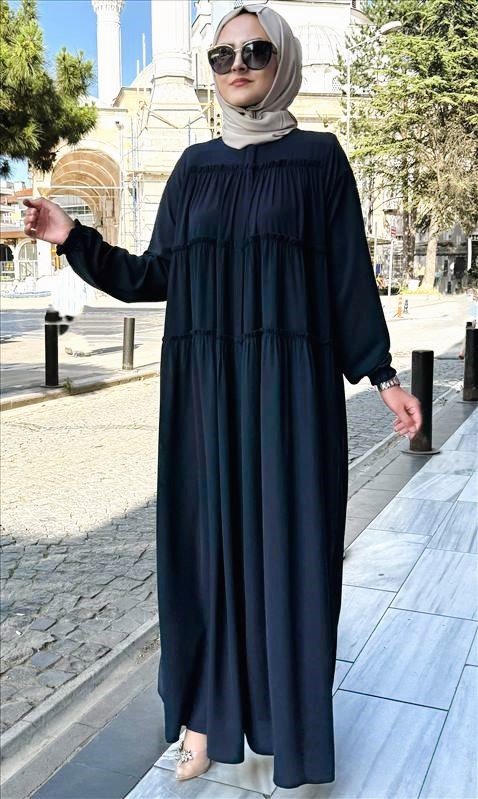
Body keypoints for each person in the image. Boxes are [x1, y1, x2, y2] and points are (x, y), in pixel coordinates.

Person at [23, 3, 422, 790]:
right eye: (222, 56)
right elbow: (153, 275)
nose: (237, 66)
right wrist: (71, 237)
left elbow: (348, 276)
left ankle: (288, 731)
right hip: (204, 399)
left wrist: (384, 376)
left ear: (283, 60)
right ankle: (203, 720)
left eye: (254, 51)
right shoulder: (193, 168)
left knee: (291, 557)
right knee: (202, 556)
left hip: (290, 401)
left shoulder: (319, 159)